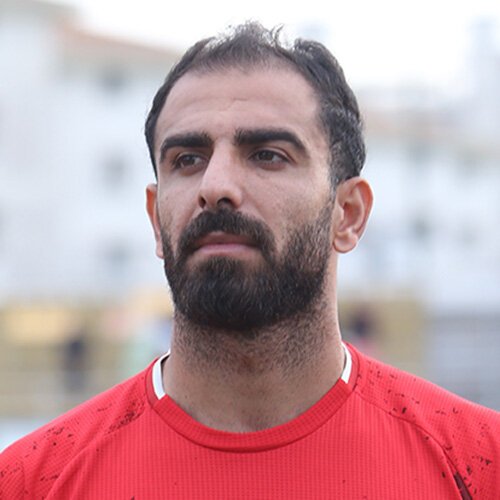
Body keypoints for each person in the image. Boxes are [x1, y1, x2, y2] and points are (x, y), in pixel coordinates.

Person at [1, 23, 499, 499]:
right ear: (155, 220)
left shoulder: (480, 466)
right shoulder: (30, 482)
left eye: (267, 154)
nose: (215, 186)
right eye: (187, 160)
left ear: (348, 214)